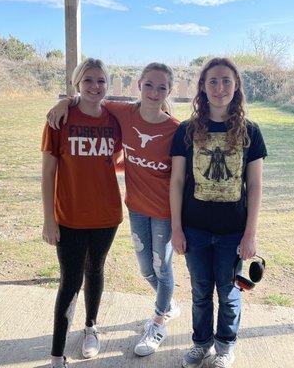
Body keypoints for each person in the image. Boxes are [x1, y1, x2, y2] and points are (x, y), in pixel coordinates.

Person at [47, 62, 181, 357]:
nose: (154, 92)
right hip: (135, 208)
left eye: (161, 87)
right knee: (147, 268)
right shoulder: (123, 113)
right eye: (148, 85)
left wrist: (180, 221)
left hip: (162, 212)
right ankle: (168, 301)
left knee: (162, 266)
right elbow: (91, 98)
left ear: (169, 91)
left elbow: (182, 177)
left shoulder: (175, 129)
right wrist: (64, 101)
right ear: (138, 86)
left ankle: (159, 319)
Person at [169, 57, 267, 368]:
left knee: (228, 293)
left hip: (232, 233)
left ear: (236, 86)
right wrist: (176, 228)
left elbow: (254, 185)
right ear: (202, 87)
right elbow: (177, 181)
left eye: (226, 80)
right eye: (212, 81)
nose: (219, 87)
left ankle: (225, 346)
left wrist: (250, 233)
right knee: (200, 292)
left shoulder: (250, 132)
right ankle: (201, 344)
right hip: (195, 230)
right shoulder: (186, 131)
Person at [41, 58, 123, 368]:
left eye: (101, 81)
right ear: (77, 83)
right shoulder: (59, 119)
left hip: (106, 215)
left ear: (107, 85)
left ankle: (91, 327)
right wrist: (49, 219)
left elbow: (149, 112)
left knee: (96, 271)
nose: (95, 86)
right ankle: (56, 354)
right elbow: (48, 172)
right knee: (70, 281)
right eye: (88, 80)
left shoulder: (114, 118)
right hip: (70, 216)